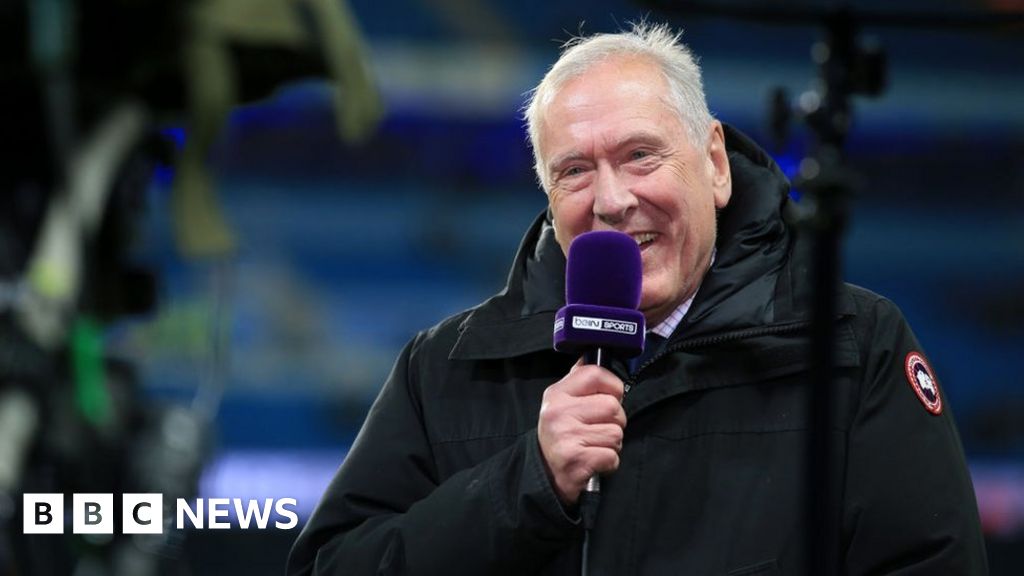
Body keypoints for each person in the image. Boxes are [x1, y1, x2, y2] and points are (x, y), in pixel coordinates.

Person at [287, 23, 987, 575]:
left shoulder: (852, 345)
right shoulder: (447, 367)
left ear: (714, 163)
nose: (613, 201)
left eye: (640, 156)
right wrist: (525, 483)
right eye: (575, 172)